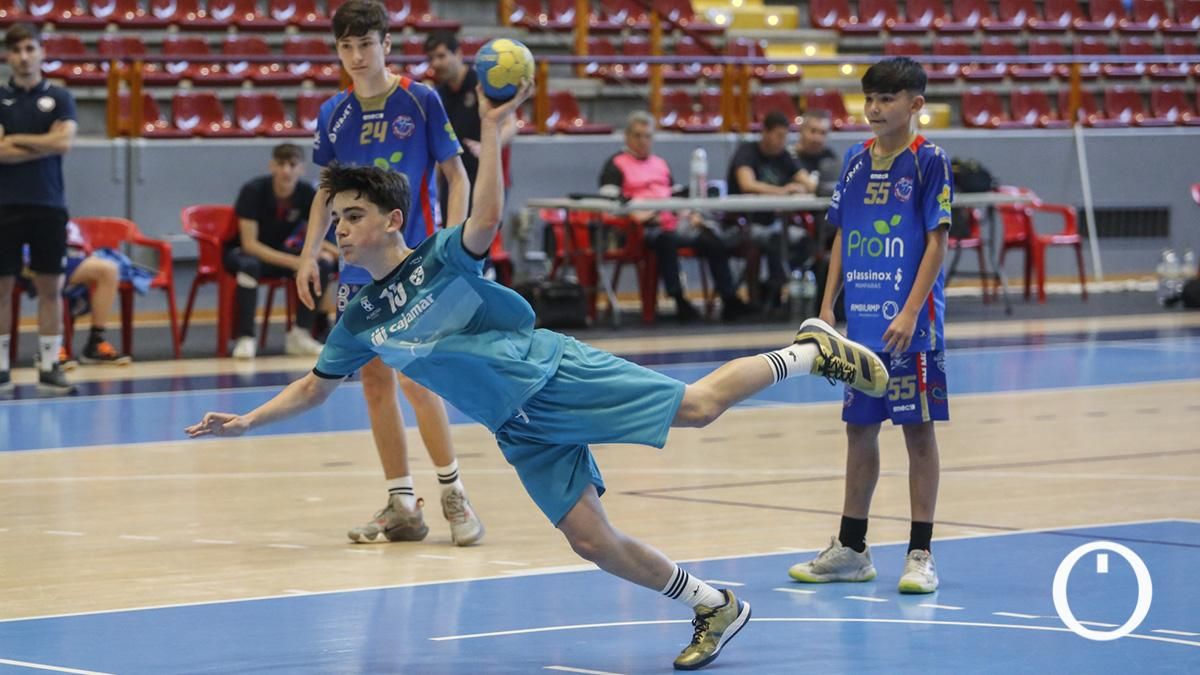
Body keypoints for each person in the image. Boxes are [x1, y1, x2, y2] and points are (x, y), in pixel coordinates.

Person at [186, 79, 891, 670]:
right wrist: (248, 419)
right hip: (518, 426)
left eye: (353, 215)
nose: (339, 228)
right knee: (591, 540)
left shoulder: (438, 258)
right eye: (335, 218)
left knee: (699, 407)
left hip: (552, 374)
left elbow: (487, 214)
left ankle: (809, 351)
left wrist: (492, 131)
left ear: (393, 219)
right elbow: (314, 386)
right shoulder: (360, 318)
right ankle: (714, 604)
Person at [293, 0, 483, 546]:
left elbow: (456, 174)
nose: (356, 55)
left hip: (414, 262)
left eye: (366, 44)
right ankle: (401, 504)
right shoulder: (334, 112)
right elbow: (325, 193)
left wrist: (451, 243)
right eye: (346, 46)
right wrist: (309, 253)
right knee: (374, 379)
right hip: (358, 266)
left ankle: (454, 492)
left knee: (416, 377)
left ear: (386, 45)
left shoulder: (420, 100)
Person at [788, 57, 952, 595]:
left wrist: (910, 311)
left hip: (912, 327)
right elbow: (842, 234)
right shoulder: (856, 160)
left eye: (887, 98)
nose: (875, 108)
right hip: (860, 329)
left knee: (918, 431)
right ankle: (852, 549)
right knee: (859, 430)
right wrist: (827, 307)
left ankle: (920, 554)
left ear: (915, 104)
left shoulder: (929, 161)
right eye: (870, 99)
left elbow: (937, 242)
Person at [598, 112, 750, 323]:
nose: (643, 141)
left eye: (647, 136)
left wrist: (690, 213)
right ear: (627, 137)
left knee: (711, 238)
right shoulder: (615, 164)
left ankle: (729, 299)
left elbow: (674, 194)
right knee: (666, 240)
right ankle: (679, 300)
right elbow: (609, 203)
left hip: (673, 221)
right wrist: (639, 216)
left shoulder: (660, 163)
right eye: (637, 136)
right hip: (642, 228)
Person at [0, 23, 78, 396]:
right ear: (8, 56)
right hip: (4, 205)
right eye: (17, 50)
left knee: (51, 288)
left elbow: (63, 144)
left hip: (48, 204)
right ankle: (1, 367)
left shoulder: (60, 97)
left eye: (30, 49)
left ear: (42, 52)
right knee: (1, 289)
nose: (24, 57)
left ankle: (49, 366)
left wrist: (15, 139)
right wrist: (44, 141)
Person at [226, 143, 333, 359]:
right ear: (272, 166)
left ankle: (301, 335)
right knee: (249, 266)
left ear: (301, 168)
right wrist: (296, 262)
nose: (286, 170)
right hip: (244, 253)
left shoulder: (306, 193)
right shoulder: (253, 191)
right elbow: (250, 244)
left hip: (281, 251)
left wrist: (332, 253)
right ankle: (246, 337)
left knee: (321, 263)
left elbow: (314, 235)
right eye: (281, 164)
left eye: (292, 165)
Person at [725, 111, 817, 311]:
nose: (781, 141)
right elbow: (747, 184)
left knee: (804, 241)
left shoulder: (784, 155)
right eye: (778, 136)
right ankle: (763, 296)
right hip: (745, 223)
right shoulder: (747, 152)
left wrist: (804, 187)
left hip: (777, 223)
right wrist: (783, 191)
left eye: (785, 137)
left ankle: (777, 289)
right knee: (776, 240)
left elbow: (808, 183)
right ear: (765, 132)